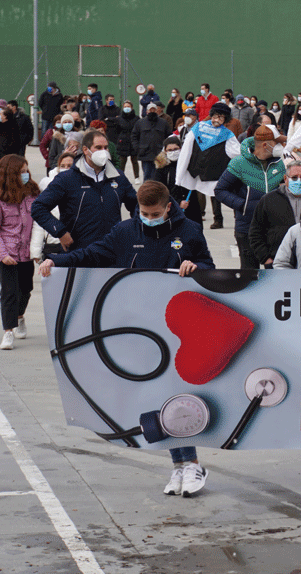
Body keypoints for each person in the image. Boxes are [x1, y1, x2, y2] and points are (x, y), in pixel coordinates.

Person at [40, 180, 214, 495]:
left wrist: (196, 266)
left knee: (172, 395)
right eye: (144, 212)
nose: (148, 217)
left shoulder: (188, 232)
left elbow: (210, 269)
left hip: (176, 328)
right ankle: (180, 466)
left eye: (154, 213)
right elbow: (92, 255)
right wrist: (57, 260)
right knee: (153, 397)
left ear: (168, 207)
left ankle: (190, 464)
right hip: (138, 329)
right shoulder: (126, 232)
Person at [32, 130, 139, 253]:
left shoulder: (118, 176)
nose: (103, 152)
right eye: (98, 148)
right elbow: (38, 207)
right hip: (79, 251)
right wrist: (60, 232)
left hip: (111, 250)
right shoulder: (67, 178)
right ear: (85, 150)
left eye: (105, 148)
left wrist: (133, 230)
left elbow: (137, 204)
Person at [214, 126, 289, 270]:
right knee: (249, 276)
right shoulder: (239, 163)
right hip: (247, 227)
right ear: (266, 145)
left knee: (275, 273)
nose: (280, 147)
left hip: (274, 229)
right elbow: (220, 190)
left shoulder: (280, 164)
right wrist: (243, 205)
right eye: (277, 143)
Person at [176, 102, 237, 230]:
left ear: (226, 119)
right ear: (211, 115)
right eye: (215, 116)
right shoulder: (198, 128)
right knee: (190, 198)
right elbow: (185, 152)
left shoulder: (227, 134)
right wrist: (179, 176)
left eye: (221, 117)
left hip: (213, 173)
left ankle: (218, 218)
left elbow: (236, 152)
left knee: (216, 196)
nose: (217, 120)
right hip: (193, 171)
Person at [0, 155, 39, 350]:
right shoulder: (1, 197)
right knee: (9, 293)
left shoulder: (32, 192)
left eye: (27, 170)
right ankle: (8, 331)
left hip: (27, 252)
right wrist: (3, 254)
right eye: (21, 171)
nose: (26, 174)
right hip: (7, 253)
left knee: (26, 289)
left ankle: (20, 316)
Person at [249, 161, 301, 268]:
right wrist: (266, 259)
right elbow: (255, 232)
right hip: (277, 263)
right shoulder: (269, 200)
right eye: (294, 177)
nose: (299, 181)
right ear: (286, 179)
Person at [31, 152, 76, 261]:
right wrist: (35, 252)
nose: (66, 169)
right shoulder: (50, 189)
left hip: (75, 245)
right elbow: (39, 223)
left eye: (69, 166)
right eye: (63, 166)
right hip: (53, 245)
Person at [152, 136, 203, 225]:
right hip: (171, 207)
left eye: (176, 149)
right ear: (165, 151)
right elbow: (160, 190)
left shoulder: (188, 163)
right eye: (170, 150)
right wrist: (178, 202)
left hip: (191, 204)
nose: (173, 152)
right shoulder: (162, 168)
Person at [131, 102, 170, 181]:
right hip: (145, 155)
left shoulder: (163, 123)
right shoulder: (140, 123)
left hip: (159, 154)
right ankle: (147, 192)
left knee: (159, 177)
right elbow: (134, 136)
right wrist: (137, 148)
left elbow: (169, 137)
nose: (152, 111)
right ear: (147, 111)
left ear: (157, 111)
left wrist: (166, 150)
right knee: (147, 176)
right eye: (150, 110)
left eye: (154, 109)